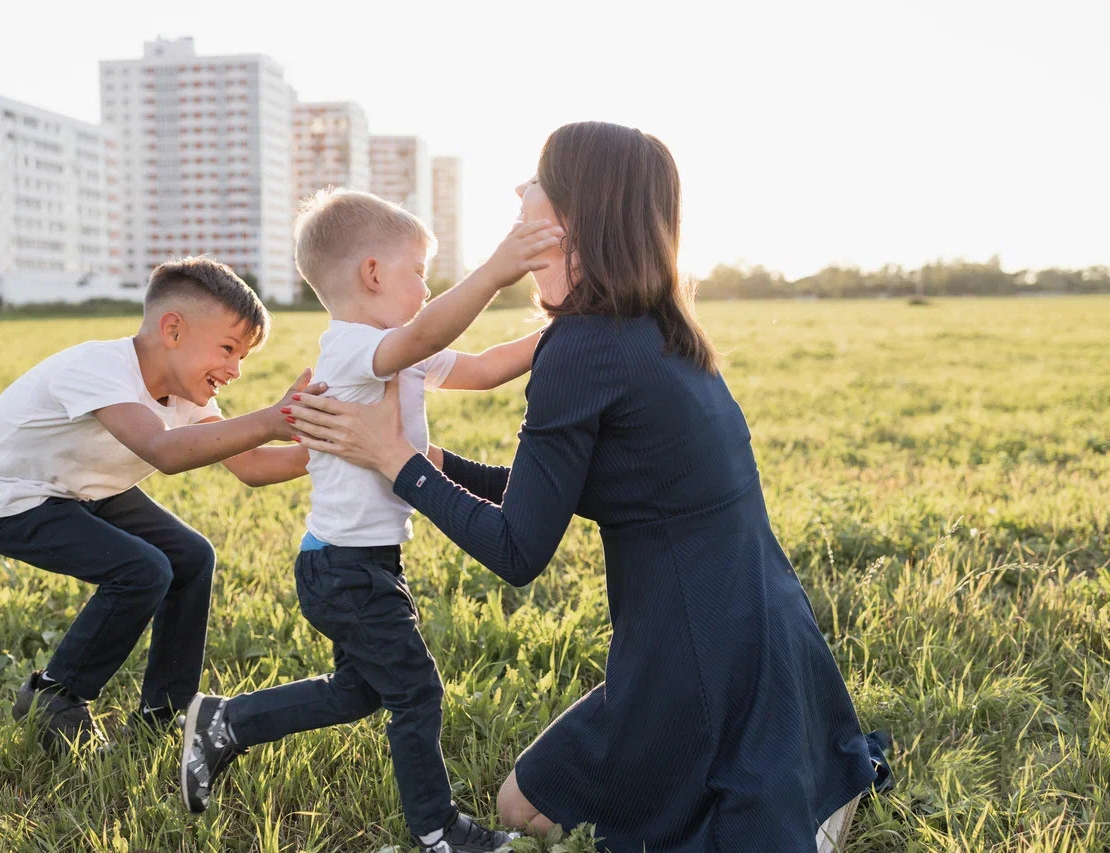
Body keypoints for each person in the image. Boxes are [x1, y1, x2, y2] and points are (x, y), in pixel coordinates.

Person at [282, 123, 889, 852]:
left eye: (537, 177)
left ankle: (782, 808)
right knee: (524, 802)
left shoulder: (584, 347)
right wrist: (433, 461)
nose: (519, 188)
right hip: (757, 629)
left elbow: (518, 549)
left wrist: (395, 461)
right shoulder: (655, 326)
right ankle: (809, 781)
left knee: (532, 810)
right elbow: (561, 491)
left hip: (693, 659)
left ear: (573, 217)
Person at [178, 189, 563, 853]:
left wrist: (564, 330)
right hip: (343, 568)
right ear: (374, 274)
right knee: (416, 691)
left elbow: (481, 369)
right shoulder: (353, 348)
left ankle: (225, 722)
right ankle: (438, 830)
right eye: (419, 271)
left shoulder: (396, 348)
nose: (426, 287)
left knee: (358, 691)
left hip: (360, 562)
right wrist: (495, 271)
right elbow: (428, 332)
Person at [0, 256, 318, 751]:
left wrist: (333, 449)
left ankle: (164, 712)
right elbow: (163, 451)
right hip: (11, 499)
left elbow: (251, 466)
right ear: (173, 329)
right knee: (143, 570)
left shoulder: (187, 393)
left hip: (85, 489)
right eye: (228, 349)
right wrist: (269, 419)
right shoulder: (99, 368)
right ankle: (54, 698)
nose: (235, 370)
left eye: (243, 357)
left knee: (191, 557)